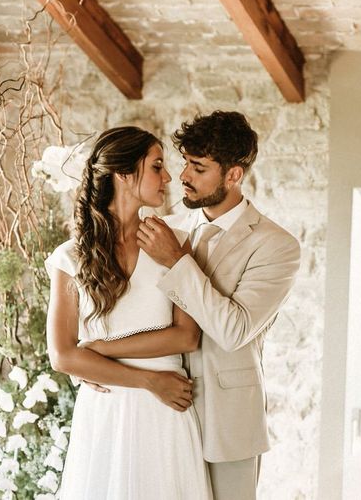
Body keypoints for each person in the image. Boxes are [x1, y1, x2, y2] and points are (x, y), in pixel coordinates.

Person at [85, 111, 300, 500]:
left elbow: (234, 331)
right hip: (163, 419)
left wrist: (176, 262)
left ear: (233, 175)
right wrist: (98, 364)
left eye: (198, 167)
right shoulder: (179, 230)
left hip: (226, 424)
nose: (183, 175)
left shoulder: (276, 245)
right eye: (184, 162)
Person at [45, 126, 213, 499]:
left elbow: (186, 335)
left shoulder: (173, 242)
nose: (168, 177)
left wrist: (99, 349)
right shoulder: (70, 257)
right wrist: (148, 381)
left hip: (167, 412)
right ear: (123, 174)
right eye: (156, 166)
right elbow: (62, 356)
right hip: (109, 411)